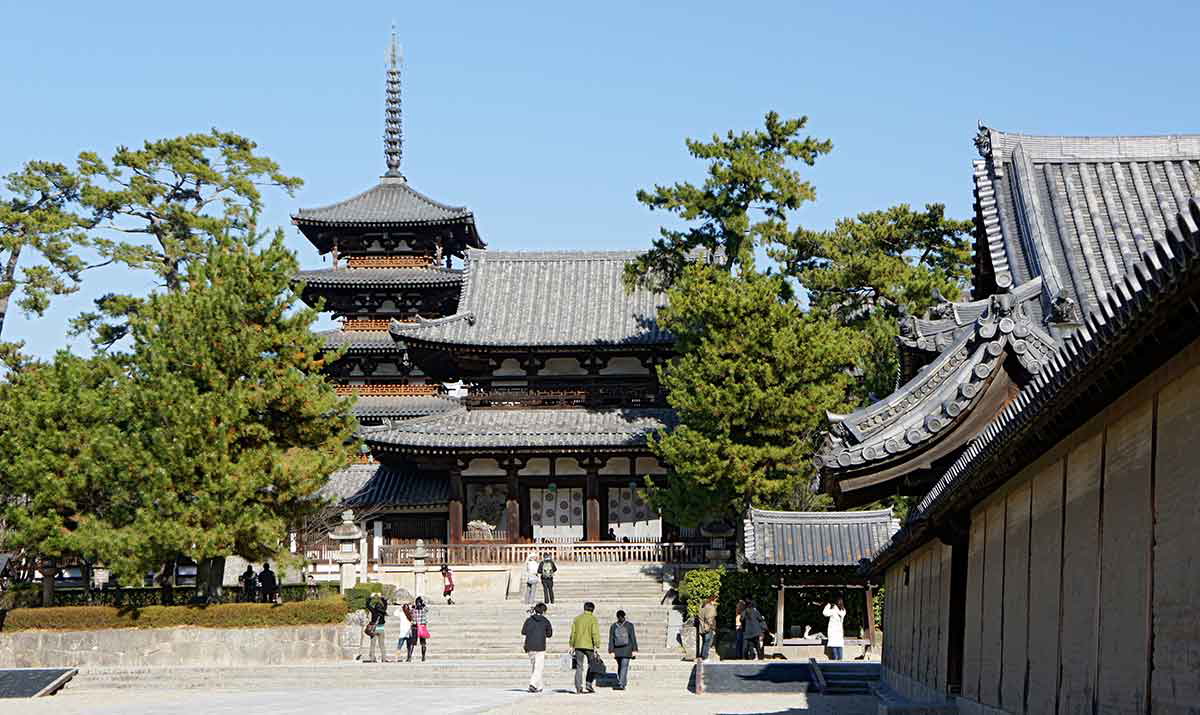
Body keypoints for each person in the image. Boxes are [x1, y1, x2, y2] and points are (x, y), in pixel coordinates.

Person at [569, 601, 602, 694]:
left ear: (584, 608)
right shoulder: (593, 619)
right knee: (592, 665)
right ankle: (588, 683)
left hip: (578, 645)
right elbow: (595, 633)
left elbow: (573, 633)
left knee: (579, 667)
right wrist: (597, 644)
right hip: (589, 646)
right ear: (592, 610)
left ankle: (578, 687)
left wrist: (572, 644)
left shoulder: (577, 619)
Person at [521, 602, 553, 693]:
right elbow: (549, 634)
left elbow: (523, 632)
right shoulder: (545, 621)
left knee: (535, 667)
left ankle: (539, 686)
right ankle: (533, 684)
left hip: (529, 646)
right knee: (538, 667)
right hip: (540, 646)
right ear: (543, 612)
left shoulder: (529, 620)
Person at [608, 609, 638, 690]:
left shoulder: (613, 626)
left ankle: (621, 682)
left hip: (617, 649)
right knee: (624, 666)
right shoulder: (629, 625)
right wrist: (635, 650)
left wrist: (611, 650)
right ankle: (622, 683)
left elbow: (611, 639)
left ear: (617, 617)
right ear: (624, 616)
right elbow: (633, 638)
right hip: (627, 649)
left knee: (621, 666)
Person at [364, 593, 388, 662]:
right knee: (382, 645)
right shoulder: (383, 611)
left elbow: (367, 605)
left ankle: (372, 659)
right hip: (381, 628)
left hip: (374, 628)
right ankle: (384, 659)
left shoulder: (373, 611)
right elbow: (385, 604)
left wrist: (371, 597)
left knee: (372, 644)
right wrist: (382, 597)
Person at [823, 596, 847, 661]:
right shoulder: (843, 611)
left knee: (834, 647)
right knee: (839, 646)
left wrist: (828, 604)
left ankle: (836, 663)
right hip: (839, 631)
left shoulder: (833, 611)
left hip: (833, 631)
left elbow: (825, 613)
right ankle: (841, 661)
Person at [407, 596, 429, 662]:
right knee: (423, 643)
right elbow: (427, 609)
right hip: (422, 626)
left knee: (412, 643)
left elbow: (410, 612)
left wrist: (414, 606)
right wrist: (423, 604)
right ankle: (423, 657)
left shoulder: (413, 610)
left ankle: (409, 657)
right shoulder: (424, 609)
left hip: (415, 626)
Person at [697, 595, 718, 661]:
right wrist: (712, 627)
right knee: (707, 642)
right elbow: (710, 618)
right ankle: (705, 657)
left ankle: (702, 656)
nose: (716, 602)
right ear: (712, 600)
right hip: (708, 627)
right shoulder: (710, 607)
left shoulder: (702, 606)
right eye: (716, 600)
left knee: (704, 642)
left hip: (702, 627)